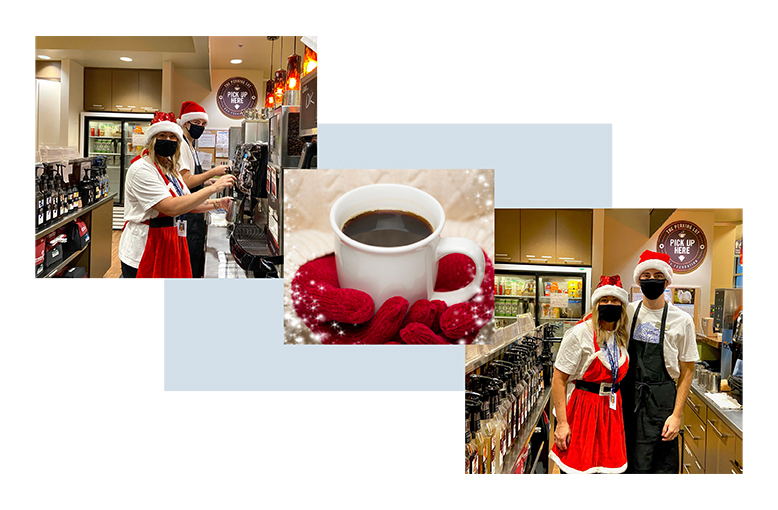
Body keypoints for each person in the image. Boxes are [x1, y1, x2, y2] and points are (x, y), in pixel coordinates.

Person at [118, 111, 235, 278]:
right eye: (163, 135)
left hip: (170, 240)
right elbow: (171, 207)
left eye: (173, 137)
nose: (168, 140)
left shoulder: (170, 169)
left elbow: (186, 203)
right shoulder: (141, 170)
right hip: (145, 247)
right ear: (152, 141)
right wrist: (213, 188)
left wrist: (217, 204)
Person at [621, 250, 699, 473]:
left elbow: (687, 372)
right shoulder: (628, 312)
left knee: (659, 466)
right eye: (646, 276)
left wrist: (676, 416)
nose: (651, 280)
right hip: (629, 399)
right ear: (638, 279)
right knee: (627, 461)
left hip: (662, 404)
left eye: (657, 275)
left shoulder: (682, 320)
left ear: (666, 280)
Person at [549, 275, 630, 474]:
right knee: (579, 471)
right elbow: (558, 380)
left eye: (614, 300)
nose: (609, 304)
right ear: (596, 304)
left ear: (622, 305)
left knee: (606, 472)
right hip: (584, 409)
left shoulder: (620, 336)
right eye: (604, 300)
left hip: (611, 412)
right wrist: (561, 423)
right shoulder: (579, 334)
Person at [177, 101, 231, 278]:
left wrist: (207, 182)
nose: (200, 127)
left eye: (203, 124)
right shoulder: (182, 145)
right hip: (189, 212)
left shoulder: (191, 145)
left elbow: (193, 178)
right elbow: (186, 181)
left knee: (196, 255)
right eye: (197, 123)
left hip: (196, 207)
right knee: (190, 259)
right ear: (186, 123)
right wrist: (213, 173)